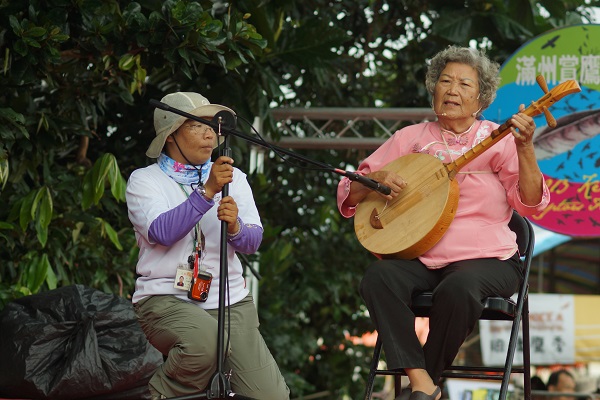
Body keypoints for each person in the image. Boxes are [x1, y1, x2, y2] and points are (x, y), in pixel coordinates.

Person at [336, 46, 550, 400]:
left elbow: (529, 202)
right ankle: (423, 383)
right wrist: (381, 178)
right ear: (433, 89)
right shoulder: (410, 138)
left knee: (459, 288)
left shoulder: (497, 139)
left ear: (480, 98)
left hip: (489, 261)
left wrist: (525, 147)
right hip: (421, 258)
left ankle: (420, 385)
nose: (452, 90)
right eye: (445, 81)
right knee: (379, 277)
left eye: (464, 84)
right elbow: (351, 189)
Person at [126, 92, 290, 399]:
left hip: (230, 301)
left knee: (272, 396)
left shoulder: (234, 178)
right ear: (170, 136)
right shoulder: (144, 180)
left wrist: (236, 227)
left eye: (211, 125)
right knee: (206, 344)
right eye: (196, 125)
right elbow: (161, 232)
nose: (209, 133)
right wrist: (207, 191)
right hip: (164, 298)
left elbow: (252, 242)